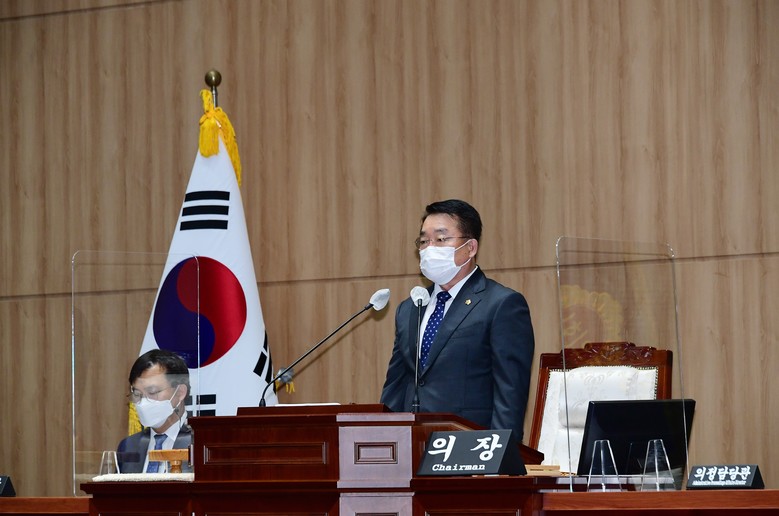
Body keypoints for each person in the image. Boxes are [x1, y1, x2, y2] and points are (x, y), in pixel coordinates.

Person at [380, 199, 535, 440]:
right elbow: (396, 385)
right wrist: (382, 439)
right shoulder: (410, 308)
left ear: (470, 247)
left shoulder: (501, 304)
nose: (430, 248)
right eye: (424, 241)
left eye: (441, 239)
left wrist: (499, 453)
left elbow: (510, 394)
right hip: (412, 445)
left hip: (468, 446)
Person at [116, 349, 193, 473]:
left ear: (180, 392)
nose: (143, 402)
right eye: (137, 394)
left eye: (152, 392)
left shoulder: (201, 444)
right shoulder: (128, 446)